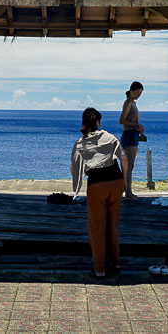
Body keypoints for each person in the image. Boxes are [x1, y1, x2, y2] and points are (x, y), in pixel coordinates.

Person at [71, 107, 127, 278]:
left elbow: (74, 170)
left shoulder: (80, 143)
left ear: (84, 123)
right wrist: (124, 180)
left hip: (97, 185)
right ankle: (116, 264)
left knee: (97, 229)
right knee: (112, 226)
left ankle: (100, 270)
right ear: (97, 122)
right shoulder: (110, 137)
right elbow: (123, 158)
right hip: (116, 181)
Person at [118, 81, 144, 200]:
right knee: (128, 166)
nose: (139, 95)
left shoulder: (133, 103)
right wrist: (136, 124)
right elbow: (122, 120)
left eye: (140, 93)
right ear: (131, 91)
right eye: (137, 92)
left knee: (130, 166)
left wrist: (137, 127)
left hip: (133, 134)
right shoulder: (128, 102)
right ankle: (128, 193)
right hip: (129, 135)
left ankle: (127, 191)